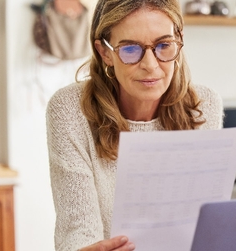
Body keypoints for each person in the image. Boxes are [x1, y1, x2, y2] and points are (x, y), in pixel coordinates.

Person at [46, 0, 223, 250]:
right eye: (130, 50)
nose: (150, 65)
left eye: (164, 45)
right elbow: (77, 230)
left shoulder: (204, 106)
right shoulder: (70, 110)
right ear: (104, 52)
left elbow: (204, 223)